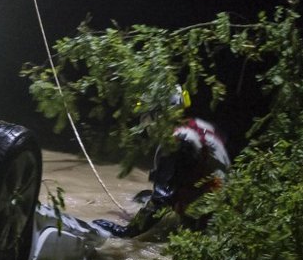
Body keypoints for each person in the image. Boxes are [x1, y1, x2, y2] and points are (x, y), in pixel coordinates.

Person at [94, 91, 230, 239]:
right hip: (219, 203)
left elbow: (161, 198)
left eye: (147, 116)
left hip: (202, 219)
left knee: (155, 199)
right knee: (143, 196)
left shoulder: (174, 142)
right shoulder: (198, 126)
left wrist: (127, 231)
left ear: (159, 115)